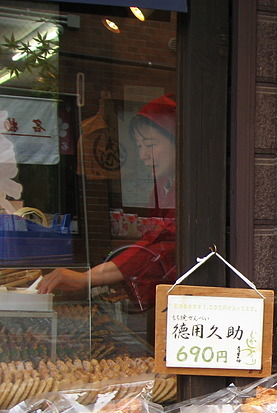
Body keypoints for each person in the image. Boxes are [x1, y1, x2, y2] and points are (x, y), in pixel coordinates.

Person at [38, 93, 178, 311]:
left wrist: (88, 278)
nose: (143, 155)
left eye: (150, 144)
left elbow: (163, 245)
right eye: (139, 146)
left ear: (178, 141)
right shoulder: (162, 185)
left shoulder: (192, 193)